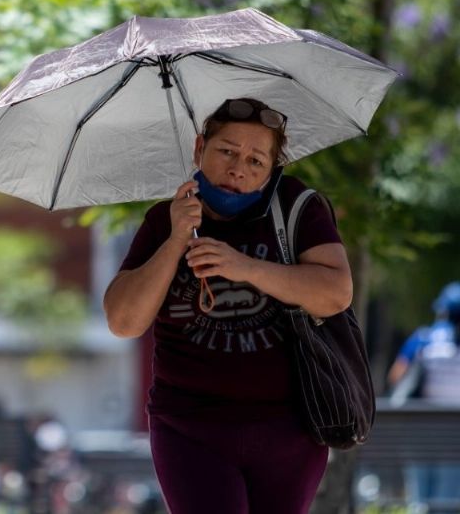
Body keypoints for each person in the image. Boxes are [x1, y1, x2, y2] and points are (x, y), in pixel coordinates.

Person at [104, 98, 353, 514]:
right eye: (227, 151)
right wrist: (175, 239)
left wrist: (245, 267)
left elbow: (335, 293)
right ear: (199, 147)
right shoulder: (165, 219)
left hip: (290, 428)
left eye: (256, 160)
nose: (239, 168)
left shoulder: (297, 208)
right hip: (189, 427)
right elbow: (124, 321)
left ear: (273, 169)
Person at [388, 282, 460, 506]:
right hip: (454, 432)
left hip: (419, 429)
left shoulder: (422, 338)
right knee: (448, 499)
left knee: (419, 499)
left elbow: (396, 377)